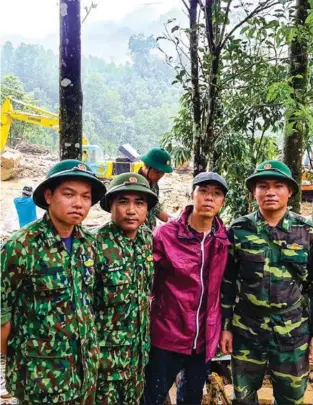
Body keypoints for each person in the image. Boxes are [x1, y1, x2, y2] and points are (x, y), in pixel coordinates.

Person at [1, 159, 106, 405]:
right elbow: (2, 311)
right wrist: (19, 361)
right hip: (42, 381)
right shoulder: (22, 246)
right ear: (49, 195)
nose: (79, 204)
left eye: (86, 197)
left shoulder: (90, 244)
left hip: (84, 375)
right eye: (69, 194)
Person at [220, 160, 313, 405]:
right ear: (254, 192)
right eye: (263, 186)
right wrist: (226, 327)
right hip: (247, 328)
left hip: (292, 329)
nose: (270, 192)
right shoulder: (239, 230)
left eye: (278, 185)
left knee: (291, 396)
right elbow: (227, 283)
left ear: (290, 191)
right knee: (243, 396)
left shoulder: (306, 231)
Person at [143, 172, 230, 405]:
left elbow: (227, 288)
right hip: (167, 334)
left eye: (217, 194)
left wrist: (223, 328)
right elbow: (146, 281)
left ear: (222, 202)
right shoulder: (165, 235)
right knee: (153, 395)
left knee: (191, 398)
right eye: (203, 191)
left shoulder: (224, 240)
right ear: (192, 195)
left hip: (203, 340)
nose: (209, 198)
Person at [95, 172, 158, 405]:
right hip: (105, 366)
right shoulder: (95, 246)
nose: (131, 210)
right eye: (123, 202)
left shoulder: (147, 240)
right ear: (110, 205)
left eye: (139, 203)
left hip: (137, 359)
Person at [139, 147, 173, 229]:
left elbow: (155, 208)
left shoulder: (154, 184)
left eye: (163, 173)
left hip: (150, 233)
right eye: (157, 172)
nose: (160, 176)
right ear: (146, 166)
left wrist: (174, 221)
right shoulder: (134, 185)